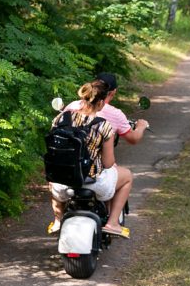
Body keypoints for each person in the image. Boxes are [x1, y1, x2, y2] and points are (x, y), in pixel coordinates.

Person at [48, 79, 134, 236]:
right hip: (93, 183)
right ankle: (113, 223)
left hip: (61, 184)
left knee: (54, 175)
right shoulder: (103, 125)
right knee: (127, 176)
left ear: (83, 98)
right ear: (101, 103)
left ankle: (58, 221)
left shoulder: (61, 119)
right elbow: (108, 164)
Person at [64, 72, 149, 146]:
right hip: (93, 163)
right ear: (113, 92)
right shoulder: (115, 115)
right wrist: (141, 126)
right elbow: (133, 139)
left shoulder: (73, 105)